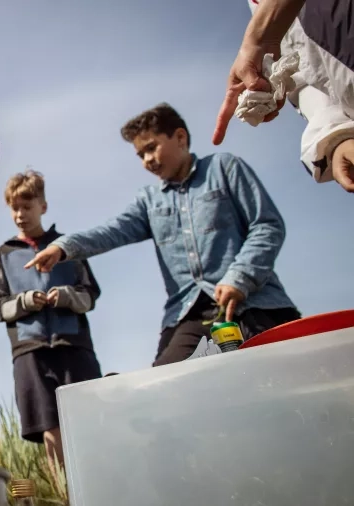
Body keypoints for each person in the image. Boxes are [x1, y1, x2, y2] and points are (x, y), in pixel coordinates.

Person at [26, 103, 301, 366]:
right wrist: (63, 246)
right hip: (189, 313)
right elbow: (113, 230)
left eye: (151, 148)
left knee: (286, 377)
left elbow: (267, 226)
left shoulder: (224, 168)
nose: (147, 160)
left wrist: (239, 277)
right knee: (164, 388)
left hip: (256, 302)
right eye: (140, 155)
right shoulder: (149, 200)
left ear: (180, 137)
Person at [0, 170, 102, 478]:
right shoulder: (4, 254)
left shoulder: (68, 247)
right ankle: (64, 493)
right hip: (30, 352)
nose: (20, 215)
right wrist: (25, 302)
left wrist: (64, 296)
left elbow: (90, 295)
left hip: (74, 346)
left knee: (89, 422)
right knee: (50, 426)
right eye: (14, 208)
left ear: (43, 206)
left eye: (27, 206)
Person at [214, 0, 353, 192]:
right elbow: (305, 79)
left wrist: (258, 38)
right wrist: (337, 136)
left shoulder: (261, 24)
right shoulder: (256, 7)